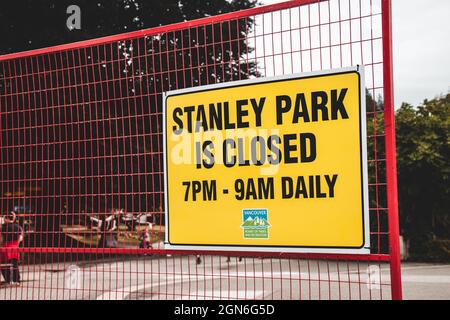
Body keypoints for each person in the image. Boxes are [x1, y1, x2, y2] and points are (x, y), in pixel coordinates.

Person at [0, 212, 23, 285]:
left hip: (6, 247)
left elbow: (1, 238)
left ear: (6, 219)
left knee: (4, 264)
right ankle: (17, 280)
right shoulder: (18, 227)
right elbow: (21, 238)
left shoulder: (3, 227)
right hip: (15, 247)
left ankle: (8, 280)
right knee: (15, 264)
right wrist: (17, 244)